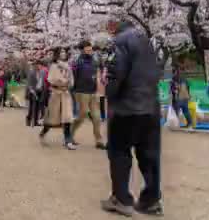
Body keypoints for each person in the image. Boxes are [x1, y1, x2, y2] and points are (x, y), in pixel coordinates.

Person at [101, 20, 163, 217]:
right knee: (150, 155)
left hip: (126, 107)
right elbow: (157, 70)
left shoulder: (118, 42)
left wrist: (110, 93)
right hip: (151, 106)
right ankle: (151, 200)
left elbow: (115, 73)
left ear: (114, 28)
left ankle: (121, 198)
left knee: (119, 151)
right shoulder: (148, 41)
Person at [70, 41, 106, 150]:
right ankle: (69, 134)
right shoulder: (77, 62)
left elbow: (102, 68)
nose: (90, 52)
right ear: (82, 50)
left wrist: (102, 77)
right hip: (81, 92)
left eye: (91, 50)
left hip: (93, 92)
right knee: (82, 115)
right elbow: (72, 77)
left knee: (97, 117)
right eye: (88, 50)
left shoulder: (95, 61)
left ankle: (99, 141)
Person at [39, 48, 76, 150]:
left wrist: (69, 80)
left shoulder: (68, 66)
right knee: (52, 118)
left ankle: (67, 140)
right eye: (61, 52)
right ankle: (43, 133)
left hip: (65, 94)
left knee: (67, 117)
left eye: (64, 52)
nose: (63, 54)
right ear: (57, 54)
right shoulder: (54, 66)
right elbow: (51, 79)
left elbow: (71, 80)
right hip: (56, 93)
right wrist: (63, 81)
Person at [26, 61, 45, 127]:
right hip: (32, 92)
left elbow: (43, 82)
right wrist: (32, 91)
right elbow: (29, 83)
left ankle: (35, 122)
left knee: (37, 107)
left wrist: (42, 89)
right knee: (32, 107)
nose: (39, 66)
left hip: (39, 91)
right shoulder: (31, 73)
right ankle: (28, 119)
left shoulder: (42, 72)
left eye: (40, 65)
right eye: (38, 65)